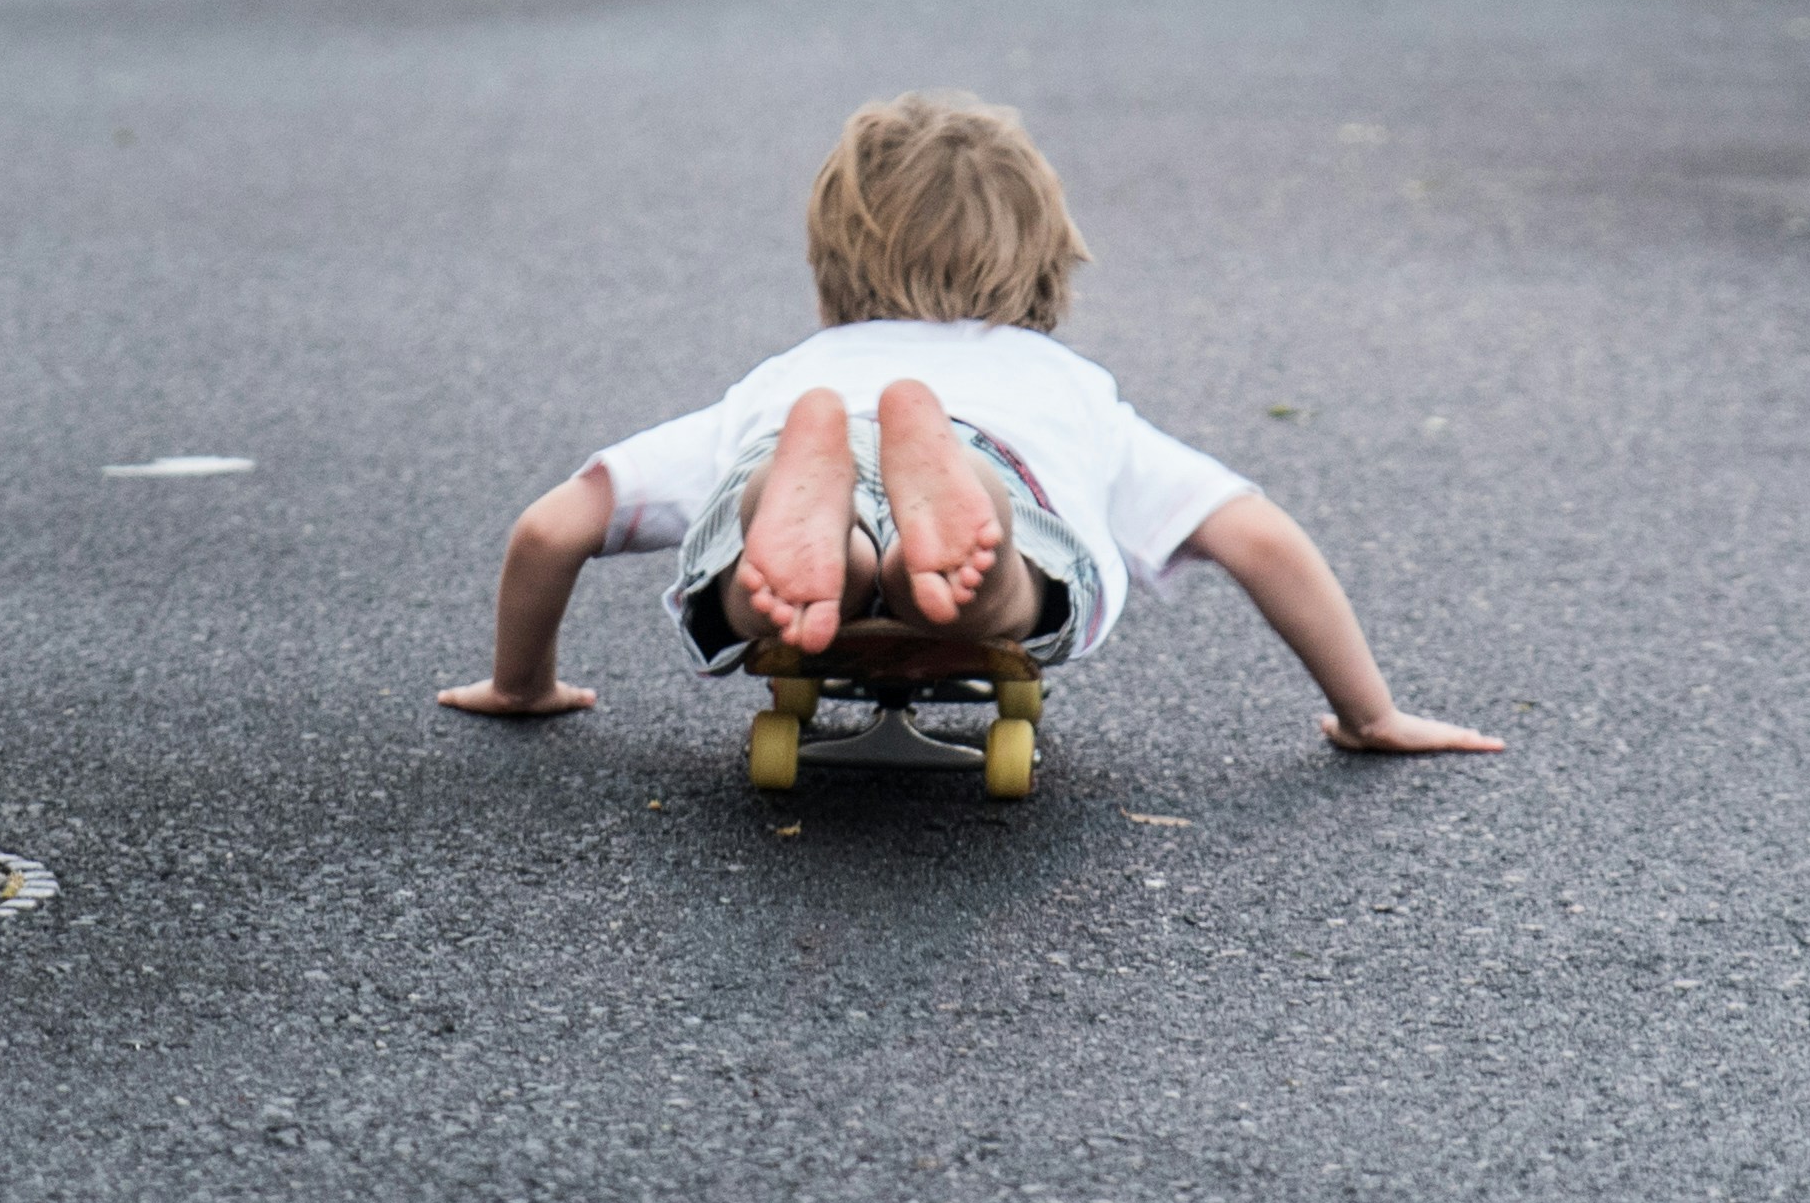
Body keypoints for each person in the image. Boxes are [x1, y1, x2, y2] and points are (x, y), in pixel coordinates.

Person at [436, 90, 1500, 758]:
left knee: (762, 530)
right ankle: (961, 529)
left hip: (793, 460)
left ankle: (809, 519)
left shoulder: (792, 376)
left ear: (827, 270)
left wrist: (519, 681)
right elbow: (1253, 535)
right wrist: (1370, 712)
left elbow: (552, 527)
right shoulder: (1062, 385)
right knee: (1011, 578)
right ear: (1046, 265)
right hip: (998, 457)